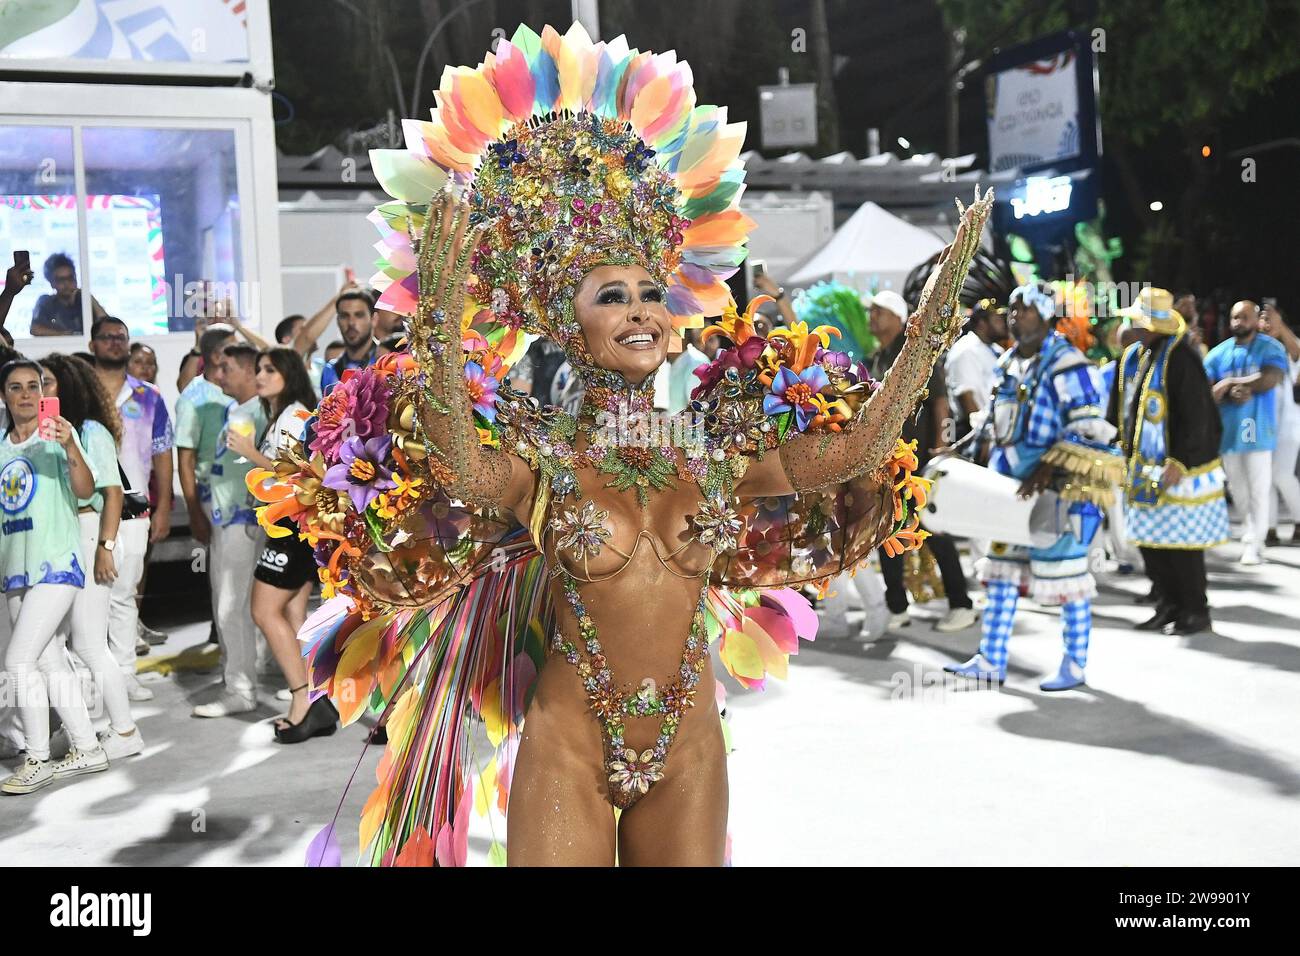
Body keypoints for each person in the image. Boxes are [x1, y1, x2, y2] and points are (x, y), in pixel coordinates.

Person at [253, 25, 993, 867]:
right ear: (569, 325)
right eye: (613, 295)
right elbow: (459, 465)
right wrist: (438, 325)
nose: (643, 308)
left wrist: (925, 336)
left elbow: (852, 456)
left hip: (690, 749)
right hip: (567, 747)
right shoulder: (541, 453)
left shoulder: (711, 449)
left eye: (651, 293)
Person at [945, 282, 1122, 690]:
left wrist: (1048, 467)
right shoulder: (1007, 362)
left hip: (1057, 491)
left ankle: (1075, 665)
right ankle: (991, 659)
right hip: (1009, 490)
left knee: (1069, 579)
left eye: (1023, 308)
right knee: (1002, 576)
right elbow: (991, 422)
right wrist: (955, 449)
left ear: (1045, 316)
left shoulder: (1068, 363)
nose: (1013, 315)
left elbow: (1089, 428)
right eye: (1011, 309)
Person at [0, 360, 109, 793]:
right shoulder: (2, 445)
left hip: (57, 563)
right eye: (16, 387)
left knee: (17, 661)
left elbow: (86, 491)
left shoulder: (58, 437)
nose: (26, 394)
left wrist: (69, 447)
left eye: (35, 385)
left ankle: (37, 757)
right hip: (15, 568)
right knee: (47, 660)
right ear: (4, 396)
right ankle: (87, 747)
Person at [224, 347, 336, 741]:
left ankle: (302, 699)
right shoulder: (279, 415)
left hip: (291, 526)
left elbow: (301, 471)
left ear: (289, 374)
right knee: (290, 612)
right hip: (293, 524)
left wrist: (251, 454)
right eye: (258, 369)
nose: (260, 375)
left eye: (269, 369)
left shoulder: (294, 414)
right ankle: (320, 698)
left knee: (263, 610)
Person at [39, 354, 146, 759]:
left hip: (88, 533)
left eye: (46, 382)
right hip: (64, 535)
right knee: (66, 642)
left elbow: (113, 493)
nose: (40, 390)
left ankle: (124, 730)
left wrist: (105, 547)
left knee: (88, 642)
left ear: (67, 385)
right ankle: (87, 728)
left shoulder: (90, 430)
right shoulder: (49, 432)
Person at [1107, 288, 1228, 636]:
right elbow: (1123, 410)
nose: (1132, 326)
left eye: (1138, 321)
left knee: (1182, 547)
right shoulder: (1135, 356)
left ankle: (1195, 610)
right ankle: (1168, 604)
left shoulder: (1181, 357)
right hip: (1142, 468)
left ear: (1153, 326)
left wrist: (1181, 460)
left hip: (1178, 468)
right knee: (1151, 542)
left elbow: (1198, 415)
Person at [868, 289, 977, 633]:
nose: (872, 317)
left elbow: (942, 405)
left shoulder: (919, 353)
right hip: (888, 464)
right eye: (871, 311)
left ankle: (961, 604)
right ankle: (897, 607)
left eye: (879, 311)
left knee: (934, 528)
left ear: (898, 317)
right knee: (888, 532)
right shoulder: (877, 357)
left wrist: (942, 446)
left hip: (920, 462)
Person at [88, 318, 174, 699]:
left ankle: (124, 674)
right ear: (92, 344)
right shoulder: (79, 393)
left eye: (120, 337)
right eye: (106, 337)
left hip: (135, 509)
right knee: (90, 596)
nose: (114, 343)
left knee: (124, 595)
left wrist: (165, 507)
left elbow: (162, 454)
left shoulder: (149, 396)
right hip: (88, 509)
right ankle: (92, 678)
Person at [188, 342, 267, 717]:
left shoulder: (263, 414)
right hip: (226, 520)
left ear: (251, 373)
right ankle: (242, 677)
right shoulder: (237, 409)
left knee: (232, 606)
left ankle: (241, 688)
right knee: (232, 605)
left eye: (227, 368)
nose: (219, 375)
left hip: (245, 521)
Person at [1203, 300, 1288, 565]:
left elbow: (1270, 378)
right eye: (1235, 317)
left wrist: (1229, 383)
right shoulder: (1218, 354)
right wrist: (1227, 392)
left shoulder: (1270, 347)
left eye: (1245, 317)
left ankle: (1254, 541)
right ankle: (1251, 531)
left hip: (1258, 431)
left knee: (1258, 489)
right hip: (1229, 434)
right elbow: (1206, 389)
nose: (1239, 322)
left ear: (1254, 319)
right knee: (1238, 490)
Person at [1259, 304, 1300, 545]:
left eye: (1270, 319)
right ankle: (1269, 529)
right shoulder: (1253, 350)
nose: (1266, 323)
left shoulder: (1286, 351)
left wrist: (1279, 324)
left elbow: (1297, 350)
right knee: (1264, 477)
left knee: (1282, 474)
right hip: (1258, 424)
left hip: (1288, 425)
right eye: (1263, 319)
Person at [945, 297, 1007, 442]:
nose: (1003, 324)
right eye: (997, 320)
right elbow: (966, 398)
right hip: (973, 433)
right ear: (982, 323)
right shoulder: (965, 350)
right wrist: (984, 436)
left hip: (996, 430)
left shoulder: (996, 349)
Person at [29, 253, 107, 337]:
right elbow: (35, 329)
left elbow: (106, 324)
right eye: (61, 280)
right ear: (52, 283)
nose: (67, 283)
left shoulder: (84, 300)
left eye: (70, 278)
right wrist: (67, 335)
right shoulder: (46, 302)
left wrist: (88, 295)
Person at [317, 290, 379, 393]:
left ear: (374, 319)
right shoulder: (330, 370)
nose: (351, 323)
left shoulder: (387, 363)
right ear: (337, 321)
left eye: (359, 315)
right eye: (344, 316)